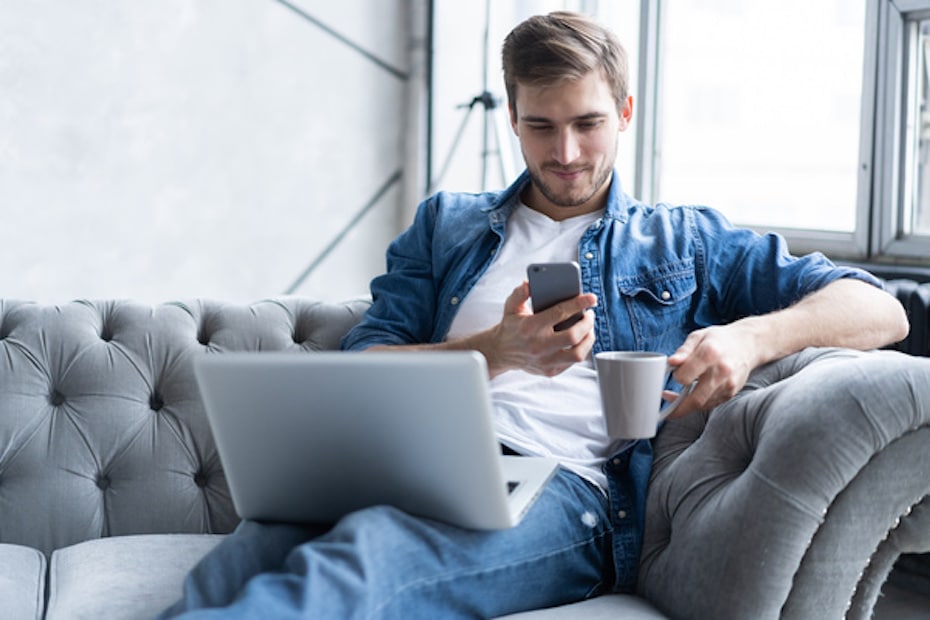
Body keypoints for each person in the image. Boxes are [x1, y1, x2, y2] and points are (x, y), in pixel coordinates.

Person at [158, 10, 909, 619]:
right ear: (511, 118)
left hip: (566, 489)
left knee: (360, 567)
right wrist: (497, 348)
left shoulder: (685, 240)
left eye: (587, 123)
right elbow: (365, 365)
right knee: (241, 564)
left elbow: (882, 309)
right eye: (541, 127)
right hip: (414, 460)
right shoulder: (446, 226)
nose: (568, 152)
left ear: (625, 112)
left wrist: (750, 337)